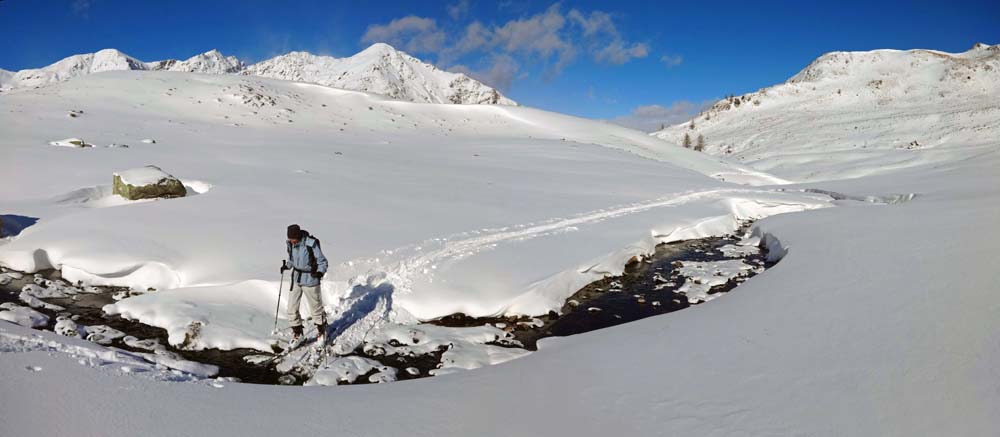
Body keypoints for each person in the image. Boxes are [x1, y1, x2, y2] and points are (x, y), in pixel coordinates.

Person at [280, 224, 329, 346]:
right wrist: (287, 265)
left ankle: (322, 332)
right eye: (290, 239)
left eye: (293, 238)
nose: (291, 241)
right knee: (291, 308)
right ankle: (298, 333)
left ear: (298, 236)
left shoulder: (310, 243)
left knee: (316, 309)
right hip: (296, 278)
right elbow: (292, 259)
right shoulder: (290, 244)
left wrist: (319, 272)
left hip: (311, 279)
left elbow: (322, 261)